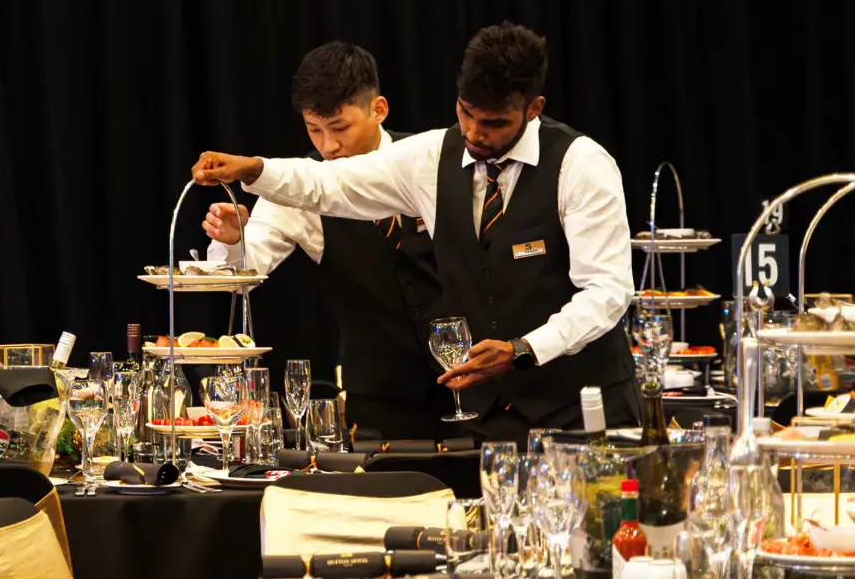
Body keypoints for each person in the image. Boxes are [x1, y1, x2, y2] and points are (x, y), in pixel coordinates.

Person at [190, 22, 640, 446]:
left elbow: (607, 290)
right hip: (486, 416)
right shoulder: (430, 156)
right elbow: (327, 184)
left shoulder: (581, 165)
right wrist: (253, 169)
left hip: (582, 403)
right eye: (465, 113)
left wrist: (523, 348)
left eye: (495, 123)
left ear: (534, 109)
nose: (475, 133)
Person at [201, 42, 449, 439]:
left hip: (470, 388)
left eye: (339, 128)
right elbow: (244, 273)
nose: (327, 146)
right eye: (314, 130)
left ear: (379, 109)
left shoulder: (429, 160)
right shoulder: (298, 186)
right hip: (377, 402)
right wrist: (235, 239)